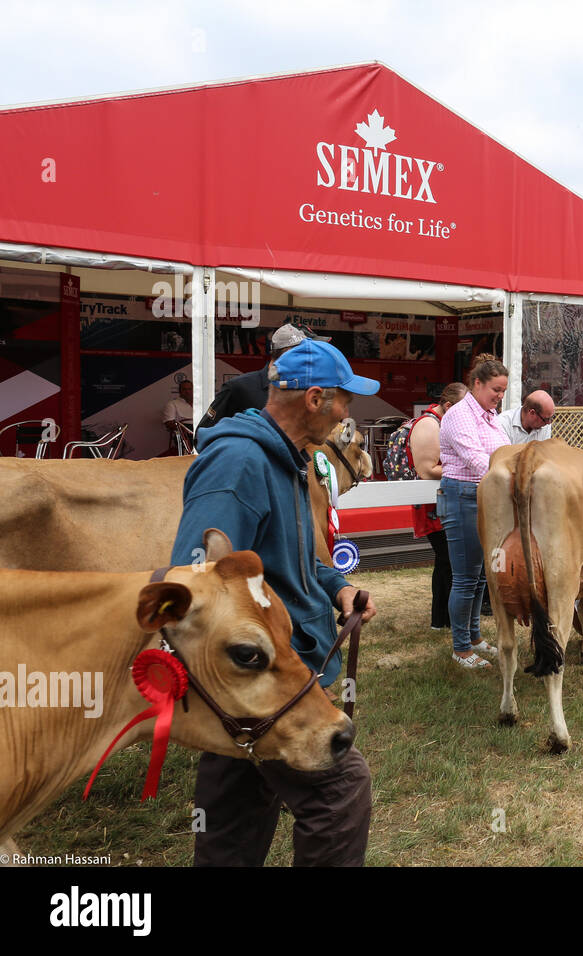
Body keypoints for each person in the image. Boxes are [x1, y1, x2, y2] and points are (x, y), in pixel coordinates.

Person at [169, 338, 379, 866]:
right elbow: (198, 578)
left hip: (257, 678)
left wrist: (339, 588)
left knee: (234, 817)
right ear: (314, 399)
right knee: (340, 793)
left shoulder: (287, 460)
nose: (347, 413)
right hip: (256, 679)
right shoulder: (240, 461)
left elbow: (296, 562)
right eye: (344, 400)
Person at [437, 354, 510, 668]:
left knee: (480, 575)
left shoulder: (488, 415)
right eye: (496, 389)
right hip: (463, 495)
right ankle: (461, 648)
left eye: (503, 391)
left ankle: (475, 637)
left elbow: (503, 451)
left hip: (484, 496)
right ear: (477, 383)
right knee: (466, 577)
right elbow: (476, 459)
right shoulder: (460, 415)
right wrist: (510, 480)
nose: (500, 396)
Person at [409, 382, 468, 630]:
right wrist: (466, 468)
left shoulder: (441, 422)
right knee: (448, 560)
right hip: (432, 505)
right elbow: (426, 470)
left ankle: (440, 620)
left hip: (443, 501)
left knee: (444, 561)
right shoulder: (428, 425)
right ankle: (445, 620)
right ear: (448, 406)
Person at [196, 323, 322, 434]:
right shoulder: (239, 388)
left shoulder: (307, 390)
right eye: (310, 352)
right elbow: (203, 435)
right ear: (289, 352)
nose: (315, 358)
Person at [163, 379, 194, 452]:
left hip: (201, 430)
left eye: (190, 389)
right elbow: (168, 423)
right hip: (184, 432)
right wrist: (183, 428)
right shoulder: (172, 404)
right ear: (179, 391)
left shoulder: (200, 403)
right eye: (184, 389)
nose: (187, 392)